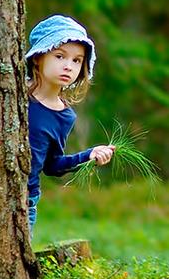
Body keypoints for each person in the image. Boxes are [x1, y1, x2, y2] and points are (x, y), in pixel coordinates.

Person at [25, 14, 115, 236]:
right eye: (59, 56)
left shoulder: (64, 116)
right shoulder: (14, 95)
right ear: (38, 57)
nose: (68, 66)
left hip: (25, 200)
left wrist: (88, 156)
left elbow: (52, 165)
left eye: (76, 60)